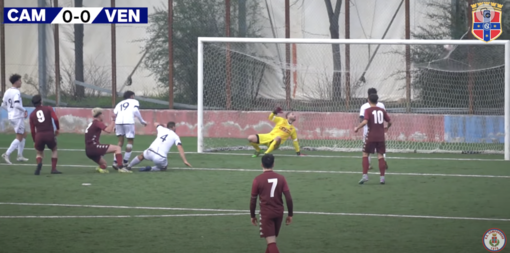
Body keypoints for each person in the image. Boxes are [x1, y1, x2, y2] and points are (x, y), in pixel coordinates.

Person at [250, 154, 293, 253]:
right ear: (273, 164)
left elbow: (253, 200)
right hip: (279, 213)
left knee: (271, 243)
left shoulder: (257, 180)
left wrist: (252, 215)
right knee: (271, 240)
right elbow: (289, 198)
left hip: (266, 213)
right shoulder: (281, 178)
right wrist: (290, 214)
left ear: (261, 164)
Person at [354, 94, 392, 184]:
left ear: (369, 100)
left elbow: (365, 121)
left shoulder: (367, 110)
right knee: (380, 155)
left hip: (371, 136)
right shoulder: (382, 110)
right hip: (381, 137)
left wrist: (357, 128)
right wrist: (387, 127)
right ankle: (382, 178)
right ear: (377, 101)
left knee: (365, 154)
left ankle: (365, 176)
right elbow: (390, 121)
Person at [85, 108, 131, 174]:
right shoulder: (97, 123)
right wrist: (113, 120)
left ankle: (100, 168)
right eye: (102, 114)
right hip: (94, 148)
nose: (103, 116)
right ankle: (121, 168)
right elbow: (108, 130)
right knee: (117, 148)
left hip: (88, 150)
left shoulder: (92, 123)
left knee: (104, 164)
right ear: (99, 115)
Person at [112, 90, 147, 170]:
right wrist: (142, 121)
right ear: (131, 96)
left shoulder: (119, 103)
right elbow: (135, 111)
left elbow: (114, 114)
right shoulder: (134, 102)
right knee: (130, 141)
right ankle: (125, 161)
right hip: (128, 122)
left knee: (120, 142)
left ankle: (115, 161)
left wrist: (115, 125)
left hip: (119, 122)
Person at [28, 95, 61, 175]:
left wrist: (34, 140)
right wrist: (57, 128)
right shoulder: (48, 108)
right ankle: (53, 169)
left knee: (39, 152)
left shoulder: (32, 115)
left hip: (39, 135)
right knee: (54, 149)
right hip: (49, 134)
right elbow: (56, 119)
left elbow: (32, 130)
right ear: (41, 101)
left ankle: (39, 163)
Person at [1, 74, 29, 164]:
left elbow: (3, 105)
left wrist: (10, 111)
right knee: (19, 136)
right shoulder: (16, 92)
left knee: (24, 134)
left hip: (12, 116)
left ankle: (20, 155)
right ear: (16, 81)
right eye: (20, 81)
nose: (21, 82)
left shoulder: (7, 91)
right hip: (17, 116)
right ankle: (7, 153)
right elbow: (17, 105)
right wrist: (24, 110)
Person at [359, 88, 388, 170]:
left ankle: (368, 165)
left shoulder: (364, 106)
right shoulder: (381, 105)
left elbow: (361, 119)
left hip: (368, 131)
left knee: (366, 151)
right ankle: (384, 161)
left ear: (368, 96)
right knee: (381, 150)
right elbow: (385, 116)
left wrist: (364, 122)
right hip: (379, 131)